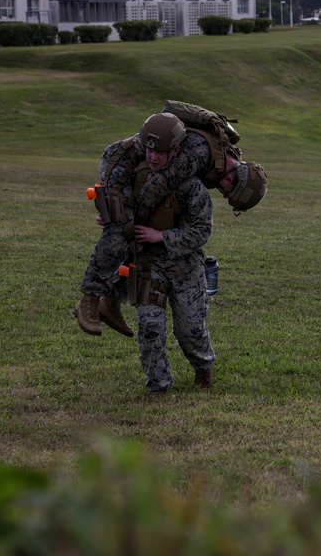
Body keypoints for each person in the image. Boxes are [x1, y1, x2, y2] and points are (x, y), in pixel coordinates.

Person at [74, 111, 266, 337]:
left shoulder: (221, 157)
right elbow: (155, 190)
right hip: (120, 162)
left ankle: (111, 303)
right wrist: (119, 216)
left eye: (226, 193)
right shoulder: (199, 156)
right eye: (229, 184)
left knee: (141, 242)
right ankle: (89, 300)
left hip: (142, 169)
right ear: (237, 170)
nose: (223, 187)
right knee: (120, 230)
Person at [123, 115, 216, 394]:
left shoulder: (189, 184)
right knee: (150, 327)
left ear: (175, 151)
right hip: (147, 265)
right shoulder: (135, 177)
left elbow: (202, 230)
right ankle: (158, 385)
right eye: (148, 149)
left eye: (160, 152)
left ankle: (203, 367)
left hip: (185, 267)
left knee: (190, 330)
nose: (152, 156)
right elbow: (120, 210)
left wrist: (160, 236)